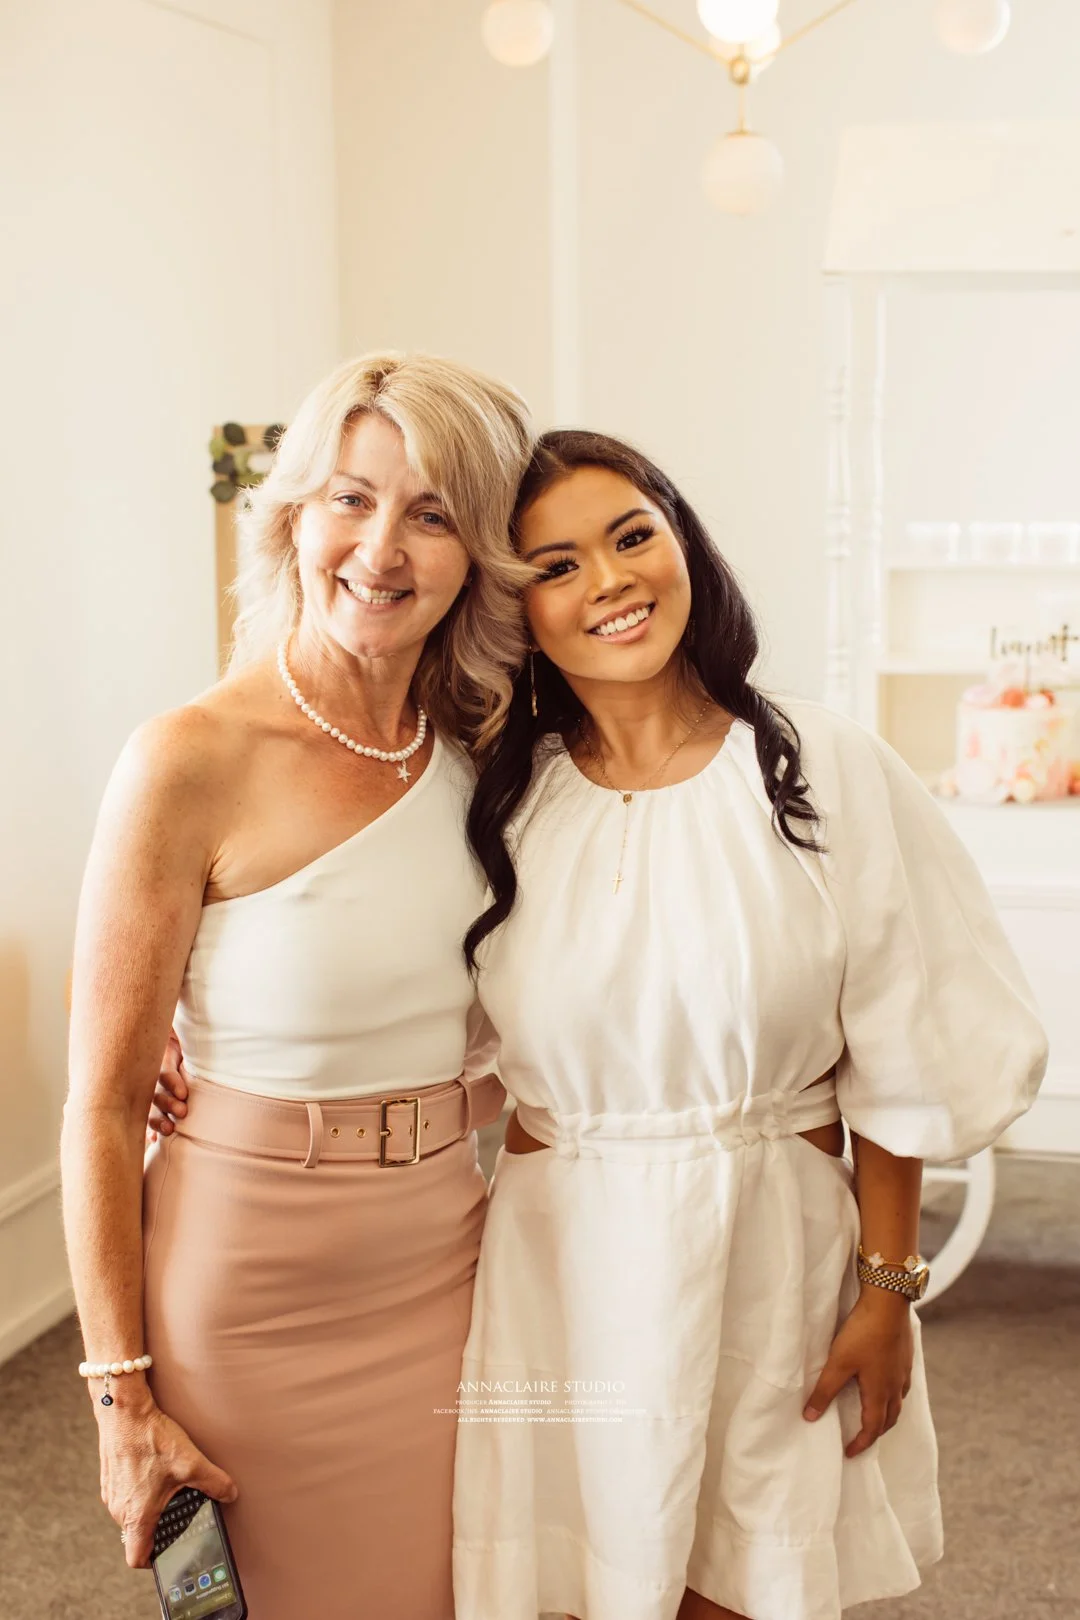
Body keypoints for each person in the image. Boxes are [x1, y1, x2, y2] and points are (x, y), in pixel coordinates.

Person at [449, 430, 1049, 1620]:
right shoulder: (496, 800)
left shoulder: (819, 767)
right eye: (557, 566)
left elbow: (901, 1050)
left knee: (745, 1582)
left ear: (685, 542)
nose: (611, 581)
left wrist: (889, 1290)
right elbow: (391, 994)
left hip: (773, 1258)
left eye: (632, 536)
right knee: (578, 1579)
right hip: (559, 1270)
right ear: (517, 607)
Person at [60, 351, 533, 1620]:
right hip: (247, 1291)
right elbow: (100, 1105)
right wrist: (119, 1402)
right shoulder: (187, 758)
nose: (381, 549)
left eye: (431, 514)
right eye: (349, 499)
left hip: (444, 1262)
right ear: (290, 520)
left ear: (478, 555)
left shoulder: (486, 755)